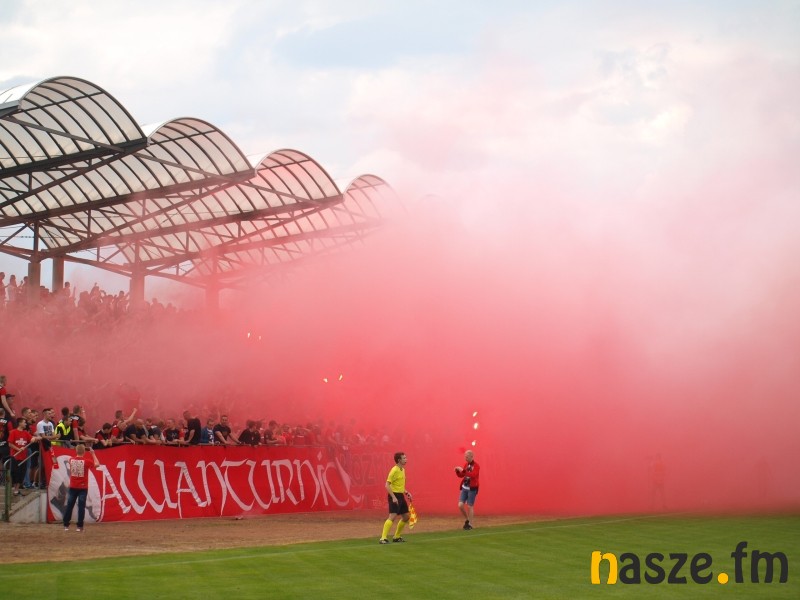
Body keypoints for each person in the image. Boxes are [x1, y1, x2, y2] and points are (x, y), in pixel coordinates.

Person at [62, 443, 100, 532]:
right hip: (83, 487)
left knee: (70, 506)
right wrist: (93, 454)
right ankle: (79, 526)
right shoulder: (86, 461)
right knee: (81, 507)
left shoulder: (71, 460)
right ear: (84, 452)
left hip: (73, 486)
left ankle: (66, 525)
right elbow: (97, 464)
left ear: (76, 451)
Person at [379, 451, 413, 544]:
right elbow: (387, 485)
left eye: (405, 458)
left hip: (400, 495)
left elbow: (399, 485)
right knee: (392, 516)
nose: (406, 459)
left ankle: (396, 537)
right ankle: (383, 538)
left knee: (406, 517)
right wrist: (393, 497)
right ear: (399, 460)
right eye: (404, 458)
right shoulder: (394, 470)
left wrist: (406, 492)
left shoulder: (402, 470)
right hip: (394, 495)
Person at [455, 449, 480, 530]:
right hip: (464, 487)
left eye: (467, 457)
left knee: (470, 506)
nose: (465, 458)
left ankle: (471, 524)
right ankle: (467, 519)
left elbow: (473, 475)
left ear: (472, 457)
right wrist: (458, 472)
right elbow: (462, 475)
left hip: (472, 488)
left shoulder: (476, 466)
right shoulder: (466, 464)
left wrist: (463, 470)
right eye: (465, 457)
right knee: (460, 505)